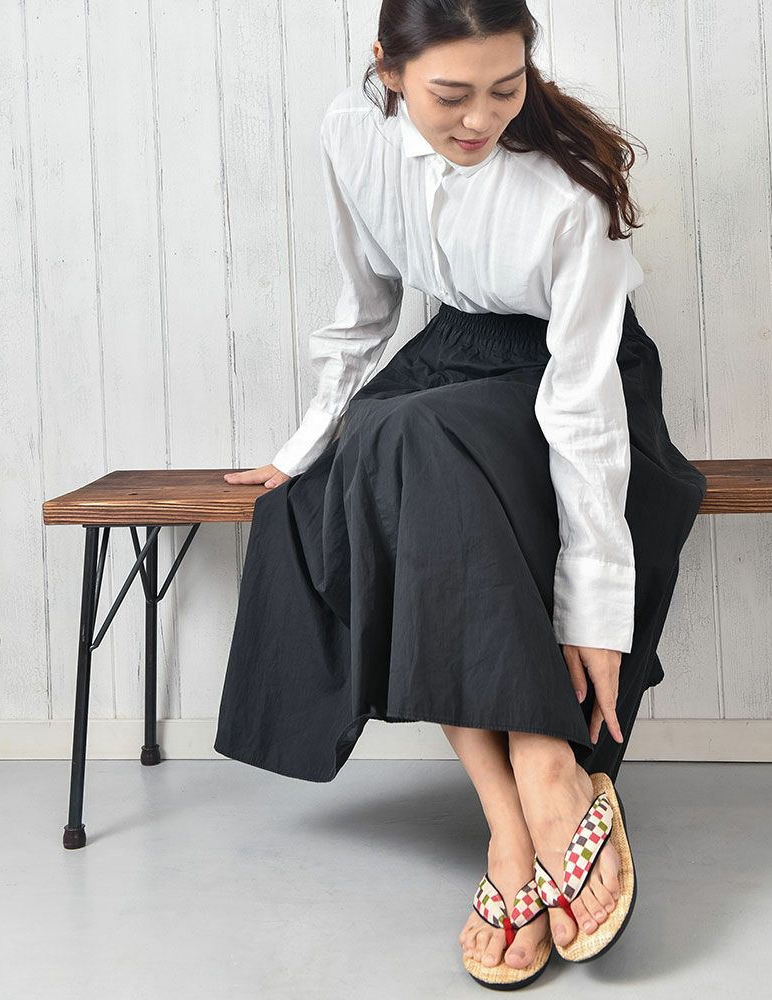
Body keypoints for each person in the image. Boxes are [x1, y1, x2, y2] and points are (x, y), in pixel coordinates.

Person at [215, 0, 705, 989]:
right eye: (450, 95)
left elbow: (583, 402)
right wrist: (307, 441)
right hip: (445, 364)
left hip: (576, 382)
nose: (480, 119)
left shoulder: (566, 189)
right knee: (364, 468)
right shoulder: (350, 132)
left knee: (408, 443)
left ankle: (546, 765)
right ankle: (512, 819)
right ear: (388, 69)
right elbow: (367, 304)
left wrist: (594, 606)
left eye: (505, 90)